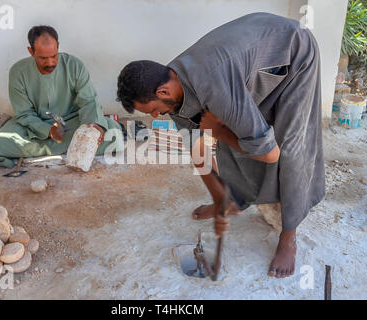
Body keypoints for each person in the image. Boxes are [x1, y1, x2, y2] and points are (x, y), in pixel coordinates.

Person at [116, 13, 325, 278]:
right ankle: (233, 198)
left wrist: (220, 132)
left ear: (162, 93)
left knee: (290, 146)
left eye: (154, 111)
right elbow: (197, 146)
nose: (155, 116)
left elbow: (271, 155)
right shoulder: (168, 82)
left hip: (293, 51)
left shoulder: (214, 86)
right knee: (225, 127)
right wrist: (218, 199)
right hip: (255, 58)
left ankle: (289, 235)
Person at [0, 25, 122, 168]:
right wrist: (48, 130)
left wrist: (93, 126)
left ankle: (48, 149)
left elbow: (88, 101)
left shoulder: (74, 65)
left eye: (54, 56)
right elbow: (24, 113)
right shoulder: (18, 72)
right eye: (43, 58)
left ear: (58, 46)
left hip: (71, 122)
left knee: (114, 134)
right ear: (31, 51)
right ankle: (68, 147)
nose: (50, 63)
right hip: (34, 127)